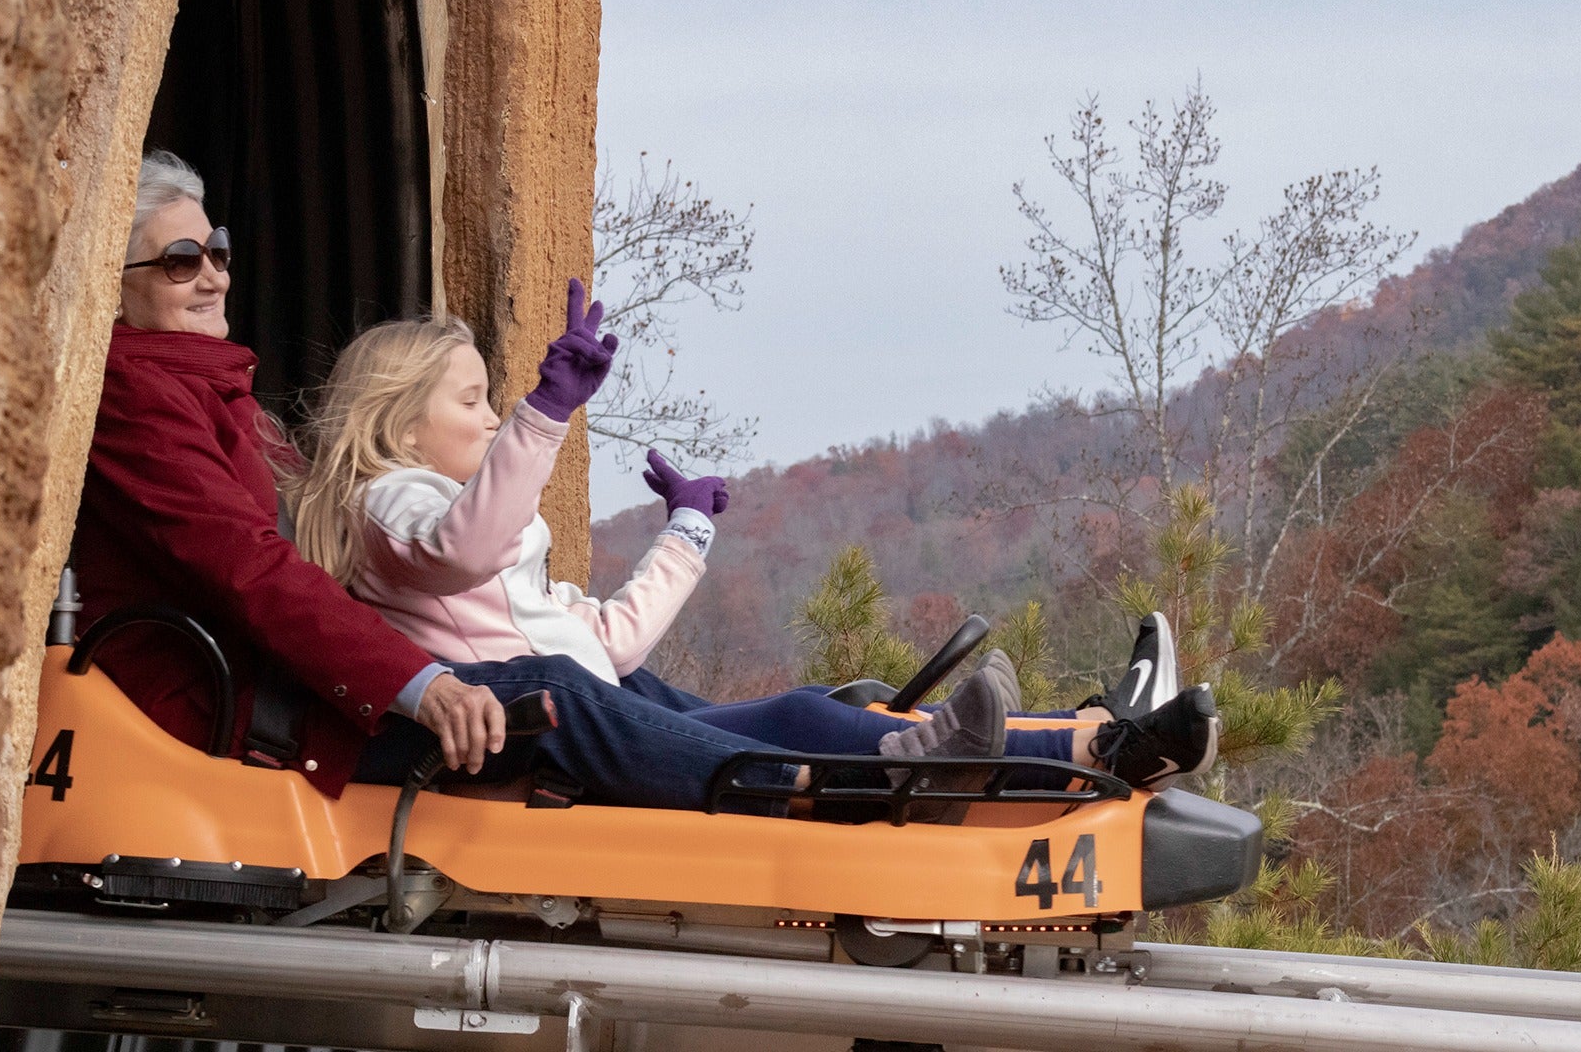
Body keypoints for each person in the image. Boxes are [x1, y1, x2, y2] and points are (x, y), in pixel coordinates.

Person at [79, 149, 1143, 823]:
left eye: (214, 249)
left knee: (731, 704)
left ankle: (1066, 745)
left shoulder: (232, 410)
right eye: (179, 260)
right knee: (566, 697)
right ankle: (878, 786)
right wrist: (418, 683)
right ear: (113, 283)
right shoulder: (149, 405)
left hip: (337, 680)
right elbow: (264, 574)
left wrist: (684, 530)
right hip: (259, 710)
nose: (212, 270)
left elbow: (592, 623)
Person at [282, 288, 1222, 806]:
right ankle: (937, 776)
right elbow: (463, 549)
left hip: (588, 704)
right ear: (401, 428)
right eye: (473, 402)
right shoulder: (392, 504)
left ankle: (1099, 739)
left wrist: (685, 535)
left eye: (498, 401)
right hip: (529, 732)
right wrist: (545, 415)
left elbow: (609, 645)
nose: (494, 419)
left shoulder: (472, 526)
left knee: (803, 712)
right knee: (583, 696)